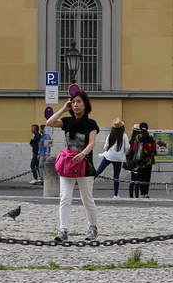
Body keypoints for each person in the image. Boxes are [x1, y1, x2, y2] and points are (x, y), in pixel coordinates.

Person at [46, 88, 100, 242]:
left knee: (87, 198)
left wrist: (82, 154)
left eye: (79, 101)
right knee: (65, 198)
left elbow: (92, 143)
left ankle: (93, 228)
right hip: (67, 165)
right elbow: (49, 122)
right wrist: (64, 109)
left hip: (84, 166)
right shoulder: (67, 121)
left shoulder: (91, 123)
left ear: (85, 104)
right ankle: (63, 229)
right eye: (73, 102)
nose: (75, 105)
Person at [95, 120, 128, 198]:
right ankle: (116, 194)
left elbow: (106, 146)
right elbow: (127, 147)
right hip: (118, 157)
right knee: (116, 176)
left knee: (99, 171)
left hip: (109, 156)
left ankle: (88, 184)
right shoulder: (124, 135)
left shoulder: (111, 134)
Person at [127, 122, 157, 197]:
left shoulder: (138, 137)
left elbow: (134, 149)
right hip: (149, 160)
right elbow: (154, 149)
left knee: (140, 176)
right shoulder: (151, 137)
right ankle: (146, 193)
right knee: (147, 176)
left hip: (140, 160)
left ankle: (142, 192)